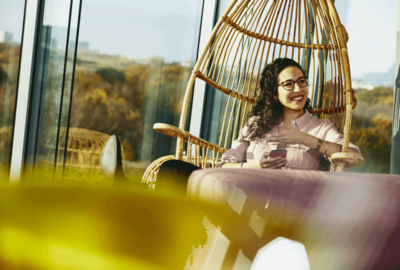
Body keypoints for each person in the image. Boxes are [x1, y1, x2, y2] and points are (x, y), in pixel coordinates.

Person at [220, 58, 360, 170]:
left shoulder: (321, 128)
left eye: (301, 81)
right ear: (275, 93)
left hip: (294, 203)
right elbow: (224, 167)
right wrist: (255, 165)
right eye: (288, 84)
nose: (298, 89)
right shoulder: (255, 124)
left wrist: (304, 139)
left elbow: (354, 157)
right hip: (248, 199)